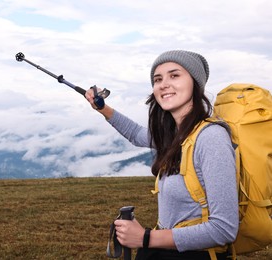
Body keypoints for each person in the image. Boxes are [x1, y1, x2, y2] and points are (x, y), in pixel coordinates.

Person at [85, 50, 239, 260]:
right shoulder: (176, 135)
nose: (163, 84)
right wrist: (103, 108)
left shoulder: (210, 138)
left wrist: (145, 238)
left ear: (195, 83)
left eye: (174, 75)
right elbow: (136, 134)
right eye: (158, 79)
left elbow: (224, 229)